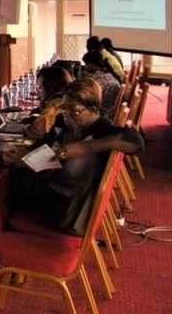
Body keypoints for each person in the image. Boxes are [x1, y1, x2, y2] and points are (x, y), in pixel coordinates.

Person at [12, 78, 143, 235]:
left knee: (12, 187)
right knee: (14, 174)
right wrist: (22, 156)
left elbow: (136, 143)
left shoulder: (102, 128)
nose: (67, 115)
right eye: (64, 109)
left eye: (74, 111)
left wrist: (84, 147)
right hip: (50, 184)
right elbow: (44, 147)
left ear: (93, 109)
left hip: (65, 202)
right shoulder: (64, 122)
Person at [24, 65, 73, 140]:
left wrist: (25, 127)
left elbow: (36, 132)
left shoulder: (56, 102)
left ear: (50, 86)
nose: (38, 91)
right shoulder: (62, 97)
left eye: (40, 87)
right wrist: (42, 101)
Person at [81, 50, 121, 118]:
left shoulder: (97, 80)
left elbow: (88, 99)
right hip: (111, 111)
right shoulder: (108, 74)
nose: (85, 67)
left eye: (86, 64)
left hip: (104, 114)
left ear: (92, 65)